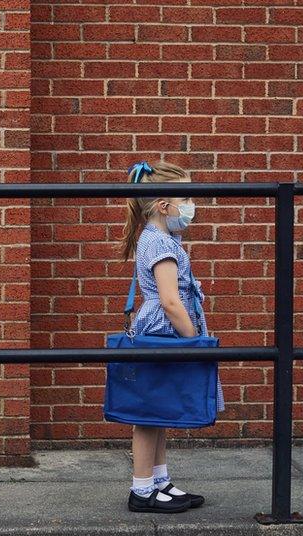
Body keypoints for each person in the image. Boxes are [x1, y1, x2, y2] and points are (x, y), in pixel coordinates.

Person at [118, 160, 225, 514]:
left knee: (159, 409)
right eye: (186, 197)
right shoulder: (161, 244)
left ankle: (159, 482)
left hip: (161, 332)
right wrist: (195, 341)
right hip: (164, 334)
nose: (191, 205)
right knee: (149, 414)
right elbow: (169, 301)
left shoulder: (160, 238)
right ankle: (142, 489)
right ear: (164, 206)